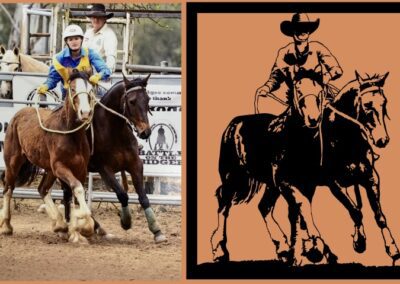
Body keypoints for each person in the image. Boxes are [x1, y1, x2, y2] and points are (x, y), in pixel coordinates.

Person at [255, 13, 343, 111]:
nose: (302, 31)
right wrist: (266, 88)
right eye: (298, 28)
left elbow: (337, 69)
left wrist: (328, 76)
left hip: (322, 98)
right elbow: (275, 77)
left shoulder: (318, 48)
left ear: (309, 32)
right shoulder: (284, 53)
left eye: (305, 28)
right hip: (297, 101)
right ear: (292, 31)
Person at [37, 24, 111, 99]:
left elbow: (105, 70)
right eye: (70, 39)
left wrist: (98, 76)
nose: (74, 42)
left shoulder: (90, 53)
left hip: (88, 92)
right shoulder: (59, 59)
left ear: (81, 39)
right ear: (67, 42)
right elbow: (52, 79)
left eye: (76, 38)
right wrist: (46, 86)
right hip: (68, 95)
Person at [83, 4, 118, 73]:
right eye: (93, 17)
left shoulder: (109, 35)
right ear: (91, 18)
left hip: (100, 76)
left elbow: (111, 58)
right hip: (85, 73)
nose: (96, 20)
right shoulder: (88, 33)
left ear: (104, 18)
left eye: (99, 17)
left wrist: (104, 73)